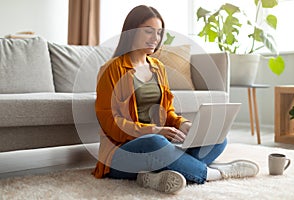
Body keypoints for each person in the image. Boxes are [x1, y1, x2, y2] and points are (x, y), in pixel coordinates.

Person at [92, 5, 259, 194]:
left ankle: (151, 175)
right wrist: (155, 130)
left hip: (159, 145)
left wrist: (183, 125)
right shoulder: (111, 70)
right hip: (120, 154)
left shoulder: (157, 67)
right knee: (155, 143)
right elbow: (110, 123)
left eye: (158, 33)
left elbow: (168, 111)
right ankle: (217, 173)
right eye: (148, 31)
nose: (155, 38)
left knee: (218, 139)